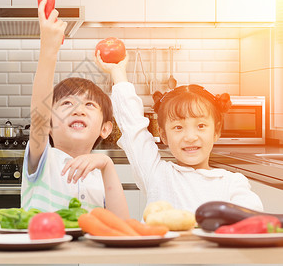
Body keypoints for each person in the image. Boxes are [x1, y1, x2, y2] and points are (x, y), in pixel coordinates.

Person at [94, 50, 263, 213]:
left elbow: (252, 221)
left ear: (216, 131)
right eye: (178, 127)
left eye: (201, 126)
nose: (190, 137)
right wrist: (117, 71)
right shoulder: (157, 175)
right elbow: (133, 127)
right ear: (163, 135)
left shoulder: (232, 183)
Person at [20, 0, 129, 219]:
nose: (78, 110)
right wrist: (49, 48)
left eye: (89, 105)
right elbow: (39, 113)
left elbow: (122, 225)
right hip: (44, 252)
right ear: (49, 124)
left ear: (105, 129)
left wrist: (107, 165)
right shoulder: (44, 160)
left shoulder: (100, 171)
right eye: (67, 104)